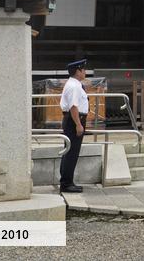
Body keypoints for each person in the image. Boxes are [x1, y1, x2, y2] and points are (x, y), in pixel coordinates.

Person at [59, 58, 89, 193]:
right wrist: (78, 124)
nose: (85, 72)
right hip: (74, 120)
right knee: (71, 152)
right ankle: (66, 183)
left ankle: (67, 181)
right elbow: (73, 107)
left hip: (74, 119)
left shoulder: (75, 84)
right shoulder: (73, 86)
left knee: (70, 151)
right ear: (78, 71)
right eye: (83, 69)